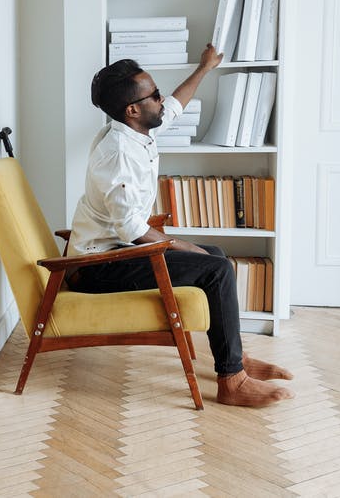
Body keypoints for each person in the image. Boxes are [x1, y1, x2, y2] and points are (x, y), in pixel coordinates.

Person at [66, 44, 294, 408]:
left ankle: (236, 359)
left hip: (119, 251)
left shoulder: (138, 129)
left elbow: (174, 105)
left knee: (216, 255)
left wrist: (205, 68)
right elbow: (128, 228)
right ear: (133, 109)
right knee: (215, 267)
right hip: (98, 267)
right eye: (154, 95)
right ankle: (231, 381)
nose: (161, 99)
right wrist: (180, 245)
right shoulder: (118, 153)